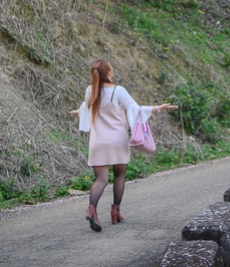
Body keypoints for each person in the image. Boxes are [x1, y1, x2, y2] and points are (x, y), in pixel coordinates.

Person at [70, 59, 177, 232]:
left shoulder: (90, 90)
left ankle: (92, 209)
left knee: (101, 179)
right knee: (119, 176)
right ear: (109, 73)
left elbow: (87, 108)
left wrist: (78, 112)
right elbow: (135, 109)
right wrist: (159, 108)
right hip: (116, 141)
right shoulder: (118, 91)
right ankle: (115, 212)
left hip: (97, 142)